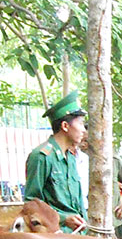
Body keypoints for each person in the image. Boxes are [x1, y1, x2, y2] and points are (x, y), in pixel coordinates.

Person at [25, 91, 87, 231]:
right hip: (55, 238)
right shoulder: (41, 156)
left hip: (79, 235)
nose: (84, 130)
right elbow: (31, 205)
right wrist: (63, 219)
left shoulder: (71, 157)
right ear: (65, 126)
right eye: (81, 124)